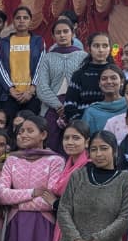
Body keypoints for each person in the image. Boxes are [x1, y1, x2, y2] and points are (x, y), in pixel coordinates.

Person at [32, 17, 87, 151]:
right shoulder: (47, 58)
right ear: (53, 36)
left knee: (74, 143)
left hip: (76, 106)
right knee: (51, 144)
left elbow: (85, 85)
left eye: (65, 31)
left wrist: (70, 106)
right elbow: (42, 88)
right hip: (52, 107)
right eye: (58, 32)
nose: (62, 35)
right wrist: (59, 106)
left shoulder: (83, 57)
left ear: (72, 34)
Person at [0, 5, 44, 120]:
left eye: (25, 18)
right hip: (10, 96)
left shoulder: (38, 41)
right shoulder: (4, 43)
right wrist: (11, 89)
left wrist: (31, 90)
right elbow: (0, 67)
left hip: (32, 96)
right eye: (18, 18)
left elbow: (41, 66)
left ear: (30, 21)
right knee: (9, 127)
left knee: (31, 126)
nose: (21, 20)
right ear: (13, 21)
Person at [63, 32, 114, 121]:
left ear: (110, 49)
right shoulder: (79, 75)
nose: (101, 50)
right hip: (84, 122)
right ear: (89, 49)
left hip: (112, 122)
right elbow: (69, 104)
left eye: (105, 46)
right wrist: (80, 122)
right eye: (96, 46)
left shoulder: (116, 74)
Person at [81, 64, 128, 135]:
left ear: (122, 82)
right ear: (99, 83)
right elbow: (84, 137)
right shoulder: (91, 112)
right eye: (104, 79)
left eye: (113, 78)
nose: (109, 81)